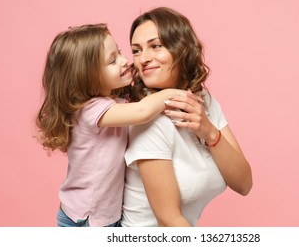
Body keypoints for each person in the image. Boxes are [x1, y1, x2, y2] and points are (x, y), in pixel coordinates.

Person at [36, 23, 189, 227]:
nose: (125, 61)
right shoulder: (90, 111)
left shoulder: (113, 104)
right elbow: (142, 111)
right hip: (85, 220)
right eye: (112, 60)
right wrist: (174, 93)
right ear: (87, 77)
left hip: (108, 216)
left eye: (119, 52)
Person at [121, 7, 253, 227]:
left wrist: (209, 131)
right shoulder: (147, 122)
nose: (143, 58)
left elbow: (244, 184)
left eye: (156, 46)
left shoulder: (204, 102)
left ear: (181, 48)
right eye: (136, 50)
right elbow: (168, 219)